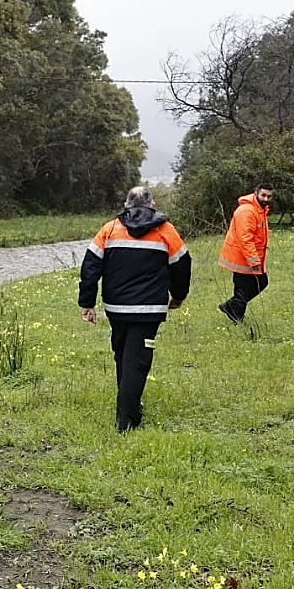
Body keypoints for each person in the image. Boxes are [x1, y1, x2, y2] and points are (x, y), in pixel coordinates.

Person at [78, 186, 191, 434]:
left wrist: (87, 302)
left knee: (123, 355)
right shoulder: (166, 231)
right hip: (149, 310)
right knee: (137, 361)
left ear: (125, 204)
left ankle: (128, 405)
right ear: (153, 204)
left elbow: (90, 267)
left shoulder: (109, 229)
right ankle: (127, 420)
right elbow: (183, 265)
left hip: (116, 308)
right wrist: (179, 296)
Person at [217, 183, 273, 324]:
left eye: (269, 196)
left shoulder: (260, 210)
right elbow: (245, 239)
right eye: (263, 195)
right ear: (256, 193)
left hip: (249, 257)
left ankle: (233, 310)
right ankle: (234, 313)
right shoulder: (247, 211)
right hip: (241, 258)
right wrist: (254, 260)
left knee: (251, 286)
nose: (266, 198)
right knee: (250, 285)